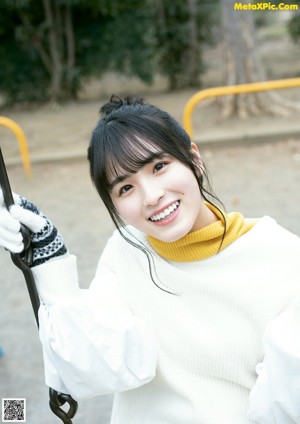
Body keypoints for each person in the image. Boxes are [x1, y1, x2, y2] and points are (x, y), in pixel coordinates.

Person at [0, 95, 300, 424]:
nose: (152, 196)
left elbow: (286, 403)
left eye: (159, 167)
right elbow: (99, 368)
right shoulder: (125, 250)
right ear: (113, 205)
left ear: (194, 159)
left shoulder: (281, 256)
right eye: (126, 188)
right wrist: (49, 260)